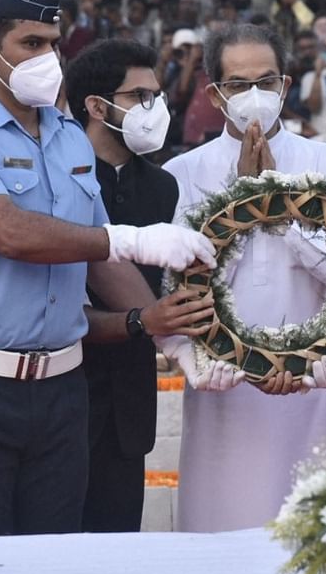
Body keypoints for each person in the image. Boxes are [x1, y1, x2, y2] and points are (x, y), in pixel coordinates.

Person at [0, 0, 215, 539]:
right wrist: (130, 237)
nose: (47, 57)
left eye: (52, 43)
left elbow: (99, 256)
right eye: (30, 44)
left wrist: (170, 338)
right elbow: (10, 232)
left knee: (58, 565)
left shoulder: (70, 135)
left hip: (63, 389)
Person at [160, 23, 326, 532]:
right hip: (225, 389)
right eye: (238, 84)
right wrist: (240, 199)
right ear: (215, 94)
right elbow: (183, 289)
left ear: (285, 84)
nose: (253, 95)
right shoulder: (182, 173)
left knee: (321, 540)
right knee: (221, 538)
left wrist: (280, 206)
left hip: (316, 384)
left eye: (266, 80)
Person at [64, 39, 215, 533]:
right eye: (140, 97)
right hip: (64, 392)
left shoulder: (162, 185)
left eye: (158, 96)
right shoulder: (61, 173)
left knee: (118, 538)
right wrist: (141, 319)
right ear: (96, 105)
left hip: (129, 399)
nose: (154, 109)